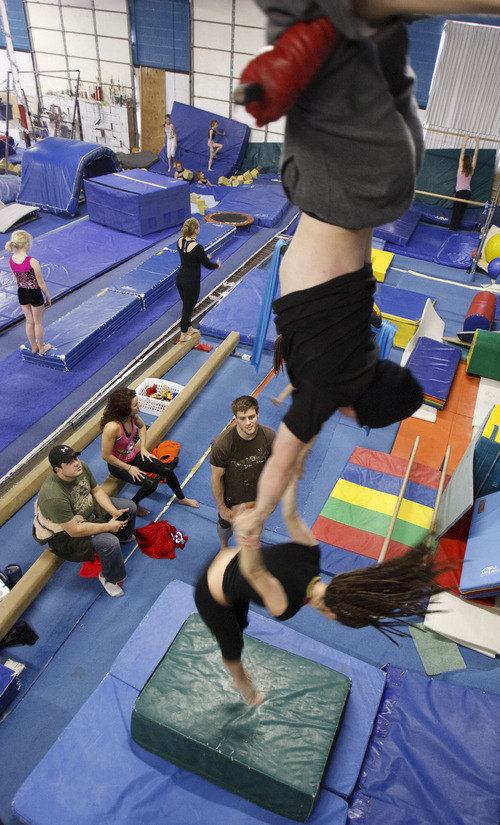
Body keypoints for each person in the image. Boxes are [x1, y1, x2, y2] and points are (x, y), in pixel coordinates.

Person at [233, 2, 471, 549]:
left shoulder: (359, 357)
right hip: (340, 187)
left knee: (375, 29)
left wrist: (291, 508)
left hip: (394, 174)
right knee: (319, 19)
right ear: (353, 410)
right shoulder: (328, 387)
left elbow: (300, 442)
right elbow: (286, 455)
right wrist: (258, 520)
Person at [195, 474, 442, 705]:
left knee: (241, 623)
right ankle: (241, 683)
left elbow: (290, 514)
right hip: (212, 593)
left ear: (343, 579)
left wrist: (291, 480)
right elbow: (255, 572)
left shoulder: (312, 553)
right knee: (232, 643)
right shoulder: (285, 605)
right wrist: (248, 538)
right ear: (331, 614)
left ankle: (235, 652)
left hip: (230, 570)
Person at [33, 445, 137, 597]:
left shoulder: (82, 468)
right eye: (69, 462)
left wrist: (113, 511)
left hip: (86, 508)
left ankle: (123, 536)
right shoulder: (53, 496)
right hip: (67, 532)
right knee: (109, 542)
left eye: (75, 457)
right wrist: (108, 526)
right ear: (58, 470)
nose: (76, 463)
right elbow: (74, 530)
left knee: (129, 508)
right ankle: (110, 578)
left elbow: (96, 490)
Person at [100, 387, 199, 517]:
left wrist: (143, 449)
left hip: (133, 455)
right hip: (118, 465)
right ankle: (134, 503)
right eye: (135, 405)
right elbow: (105, 456)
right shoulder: (112, 427)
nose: (138, 406)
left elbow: (142, 427)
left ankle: (181, 498)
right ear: (124, 409)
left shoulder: (131, 416)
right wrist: (129, 468)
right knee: (151, 485)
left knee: (167, 470)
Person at [210, 396, 275, 550]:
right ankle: (224, 547)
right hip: (232, 497)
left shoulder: (270, 437)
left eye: (251, 417)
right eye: (242, 418)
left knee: (255, 527)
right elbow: (216, 477)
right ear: (235, 418)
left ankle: (251, 549)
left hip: (257, 496)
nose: (248, 422)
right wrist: (222, 508)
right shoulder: (222, 444)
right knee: (225, 526)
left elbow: (277, 470)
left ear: (258, 414)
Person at [6, 230, 52, 355]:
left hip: (22, 293)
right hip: (34, 294)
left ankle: (33, 347)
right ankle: (42, 348)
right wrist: (48, 297)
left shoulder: (11, 259)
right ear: (27, 244)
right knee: (38, 322)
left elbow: (16, 279)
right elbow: (41, 283)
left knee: (29, 321)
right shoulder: (32, 261)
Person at [176, 218, 221, 342]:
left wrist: (203, 257)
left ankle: (189, 328)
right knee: (188, 309)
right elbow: (207, 265)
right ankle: (183, 335)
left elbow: (188, 257)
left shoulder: (180, 241)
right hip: (191, 282)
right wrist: (217, 264)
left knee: (187, 305)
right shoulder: (197, 247)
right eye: (198, 227)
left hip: (180, 279)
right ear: (195, 230)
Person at [449, 135, 479, 232]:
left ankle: (452, 229)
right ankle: (455, 229)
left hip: (460, 193)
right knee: (461, 212)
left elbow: (462, 153)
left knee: (456, 212)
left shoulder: (461, 169)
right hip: (467, 193)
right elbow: (476, 155)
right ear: (469, 162)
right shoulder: (471, 170)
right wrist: (477, 141)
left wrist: (465, 139)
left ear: (463, 161)